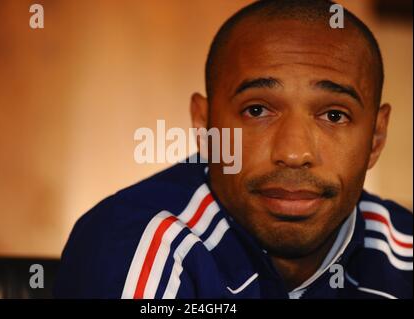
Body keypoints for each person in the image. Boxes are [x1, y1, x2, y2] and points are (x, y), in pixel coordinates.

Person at [54, 0, 412, 299]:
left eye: (334, 115)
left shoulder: (405, 248)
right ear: (205, 124)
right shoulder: (139, 244)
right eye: (257, 110)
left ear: (376, 138)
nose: (293, 152)